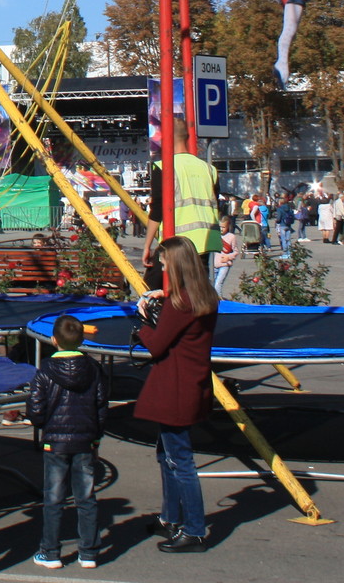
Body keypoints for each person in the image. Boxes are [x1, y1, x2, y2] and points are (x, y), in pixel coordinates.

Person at [136, 236, 217, 554]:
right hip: (190, 382)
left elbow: (156, 344)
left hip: (174, 386)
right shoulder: (202, 295)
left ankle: (194, 529)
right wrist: (165, 295)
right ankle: (171, 517)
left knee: (179, 460)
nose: (162, 266)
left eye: (165, 262)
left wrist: (143, 323)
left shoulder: (179, 303)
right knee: (166, 453)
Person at [25, 314, 108, 570]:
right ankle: (89, 552)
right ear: (82, 339)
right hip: (85, 439)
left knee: (53, 498)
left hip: (55, 441)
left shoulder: (45, 370)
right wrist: (96, 436)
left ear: (53, 340)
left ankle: (50, 552)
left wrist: (43, 425)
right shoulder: (94, 369)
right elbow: (101, 406)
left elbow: (35, 409)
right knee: (86, 496)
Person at [143, 123, 222, 289]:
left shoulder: (163, 167)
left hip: (176, 241)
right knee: (193, 292)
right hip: (205, 241)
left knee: (152, 289)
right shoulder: (209, 169)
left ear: (167, 139)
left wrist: (147, 246)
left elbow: (157, 210)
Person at [213, 216, 240, 292]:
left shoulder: (231, 237)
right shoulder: (215, 236)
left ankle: (220, 302)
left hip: (225, 265)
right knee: (212, 285)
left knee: (218, 284)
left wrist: (228, 257)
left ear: (228, 226)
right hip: (214, 264)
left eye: (223, 227)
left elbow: (236, 251)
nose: (221, 229)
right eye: (220, 227)